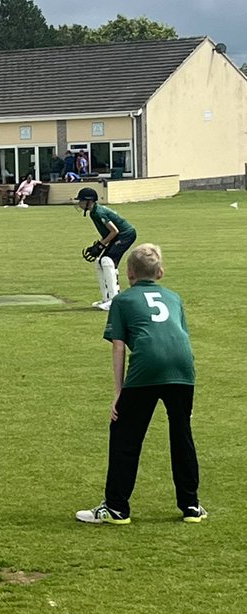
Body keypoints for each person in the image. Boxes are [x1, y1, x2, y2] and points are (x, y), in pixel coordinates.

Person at [76, 243, 205, 525]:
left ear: (129, 273)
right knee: (182, 434)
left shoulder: (122, 301)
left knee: (125, 435)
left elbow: (118, 347)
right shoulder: (174, 297)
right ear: (160, 272)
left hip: (147, 366)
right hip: (183, 368)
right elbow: (180, 337)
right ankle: (191, 505)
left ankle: (116, 507)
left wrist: (118, 394)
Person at [75, 188, 137, 310]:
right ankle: (107, 298)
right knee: (100, 262)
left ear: (89, 201)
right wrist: (100, 244)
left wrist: (100, 245)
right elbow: (109, 233)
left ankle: (114, 300)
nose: (79, 204)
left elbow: (114, 231)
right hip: (117, 236)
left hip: (126, 235)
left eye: (81, 201)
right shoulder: (93, 213)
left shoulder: (99, 212)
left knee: (107, 261)